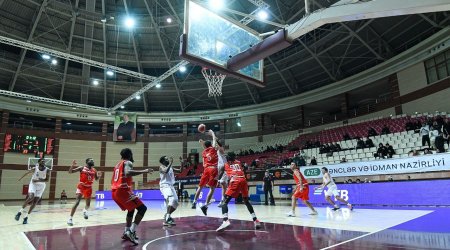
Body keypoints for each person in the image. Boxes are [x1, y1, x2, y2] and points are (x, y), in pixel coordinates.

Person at [111, 148, 152, 245]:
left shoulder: (118, 164)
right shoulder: (128, 162)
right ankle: (131, 231)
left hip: (115, 191)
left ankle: (126, 231)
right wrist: (145, 171)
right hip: (123, 190)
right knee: (142, 208)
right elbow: (128, 172)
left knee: (131, 209)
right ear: (129, 155)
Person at [216, 152, 261, 232]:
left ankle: (225, 220)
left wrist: (218, 181)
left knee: (224, 202)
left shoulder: (226, 165)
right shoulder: (239, 162)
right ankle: (255, 220)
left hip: (235, 180)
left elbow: (221, 173)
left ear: (228, 158)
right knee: (246, 201)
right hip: (243, 180)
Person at [67, 158, 102, 226]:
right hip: (81, 186)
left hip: (89, 188)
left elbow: (96, 179)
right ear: (87, 162)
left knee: (88, 204)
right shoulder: (82, 168)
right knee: (77, 202)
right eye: (91, 160)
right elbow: (70, 172)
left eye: (93, 160)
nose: (92, 161)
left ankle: (85, 211)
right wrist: (72, 165)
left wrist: (99, 176)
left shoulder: (94, 170)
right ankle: (70, 219)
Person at [15, 158, 50, 224]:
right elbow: (27, 173)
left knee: (35, 202)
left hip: (41, 186)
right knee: (31, 197)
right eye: (42, 161)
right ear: (39, 162)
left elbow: (47, 180)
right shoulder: (35, 168)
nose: (44, 162)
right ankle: (19, 213)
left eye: (44, 162)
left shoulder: (47, 170)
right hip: (33, 184)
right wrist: (20, 178)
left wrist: (38, 180)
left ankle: (26, 217)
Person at [192, 130, 219, 216]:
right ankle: (205, 206)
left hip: (206, 169)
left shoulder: (204, 152)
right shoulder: (213, 149)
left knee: (200, 187)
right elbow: (214, 140)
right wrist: (212, 133)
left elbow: (203, 164)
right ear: (211, 145)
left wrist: (202, 143)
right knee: (212, 189)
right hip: (213, 169)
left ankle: (194, 202)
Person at [159, 156, 181, 226]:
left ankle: (167, 215)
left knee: (176, 202)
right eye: (166, 159)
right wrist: (171, 163)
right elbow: (166, 171)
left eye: (167, 158)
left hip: (171, 186)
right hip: (164, 185)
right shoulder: (161, 167)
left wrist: (182, 163)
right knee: (171, 199)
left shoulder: (170, 167)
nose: (168, 159)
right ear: (162, 161)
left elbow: (180, 171)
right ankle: (167, 219)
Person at [216, 139, 229, 208]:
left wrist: (214, 137)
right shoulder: (218, 152)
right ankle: (223, 200)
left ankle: (223, 200)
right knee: (223, 186)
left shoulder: (221, 150)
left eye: (216, 145)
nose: (216, 146)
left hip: (224, 170)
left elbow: (220, 145)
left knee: (224, 186)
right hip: (221, 170)